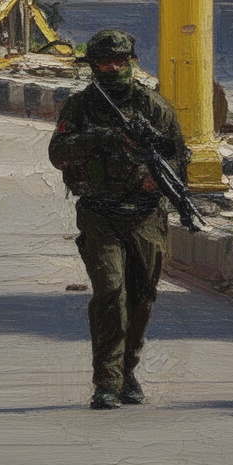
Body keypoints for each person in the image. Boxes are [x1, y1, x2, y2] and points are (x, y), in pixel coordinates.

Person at [48, 30, 190, 410]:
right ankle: (106, 383)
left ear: (131, 62)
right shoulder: (80, 107)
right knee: (111, 293)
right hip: (100, 213)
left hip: (145, 216)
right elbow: (58, 153)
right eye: (104, 63)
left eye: (119, 62)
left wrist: (155, 177)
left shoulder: (154, 107)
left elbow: (179, 158)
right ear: (93, 67)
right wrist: (101, 139)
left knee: (142, 298)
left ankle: (128, 372)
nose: (113, 69)